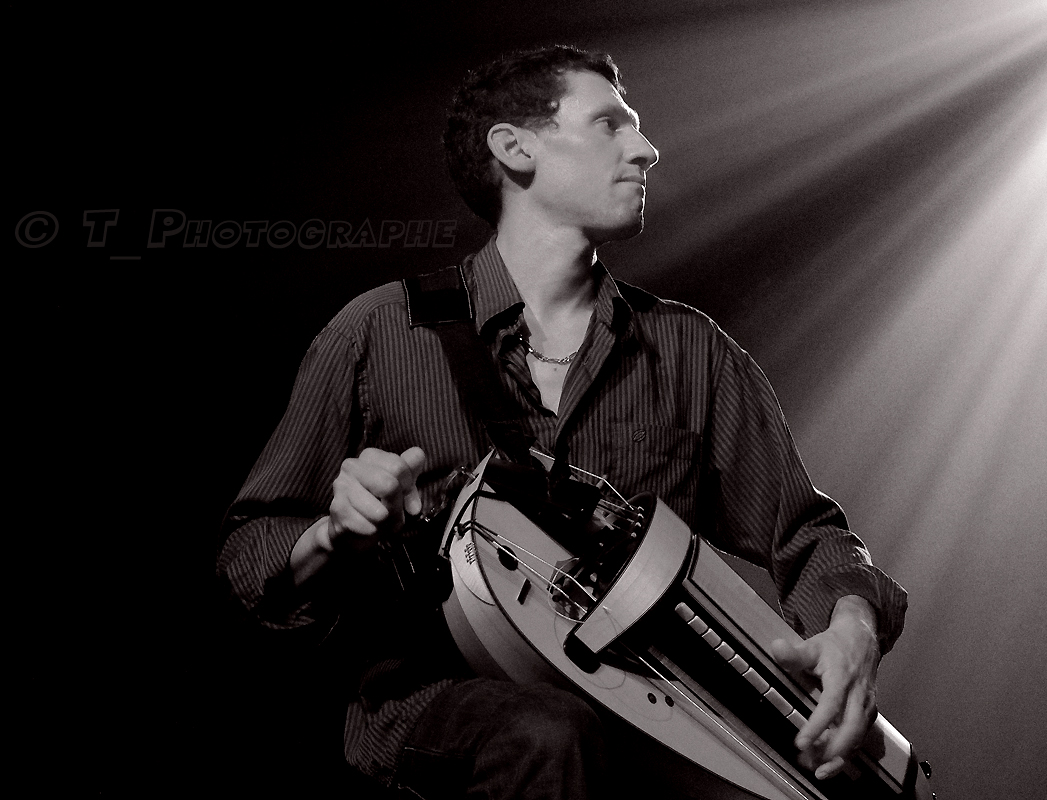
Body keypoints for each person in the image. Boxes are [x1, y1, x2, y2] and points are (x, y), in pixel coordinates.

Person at [217, 45, 907, 799]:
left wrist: (851, 623)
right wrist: (328, 536)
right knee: (549, 733)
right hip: (442, 711)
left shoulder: (688, 349)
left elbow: (808, 534)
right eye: (610, 124)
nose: (646, 149)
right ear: (515, 149)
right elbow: (249, 548)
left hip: (653, 722)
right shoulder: (378, 333)